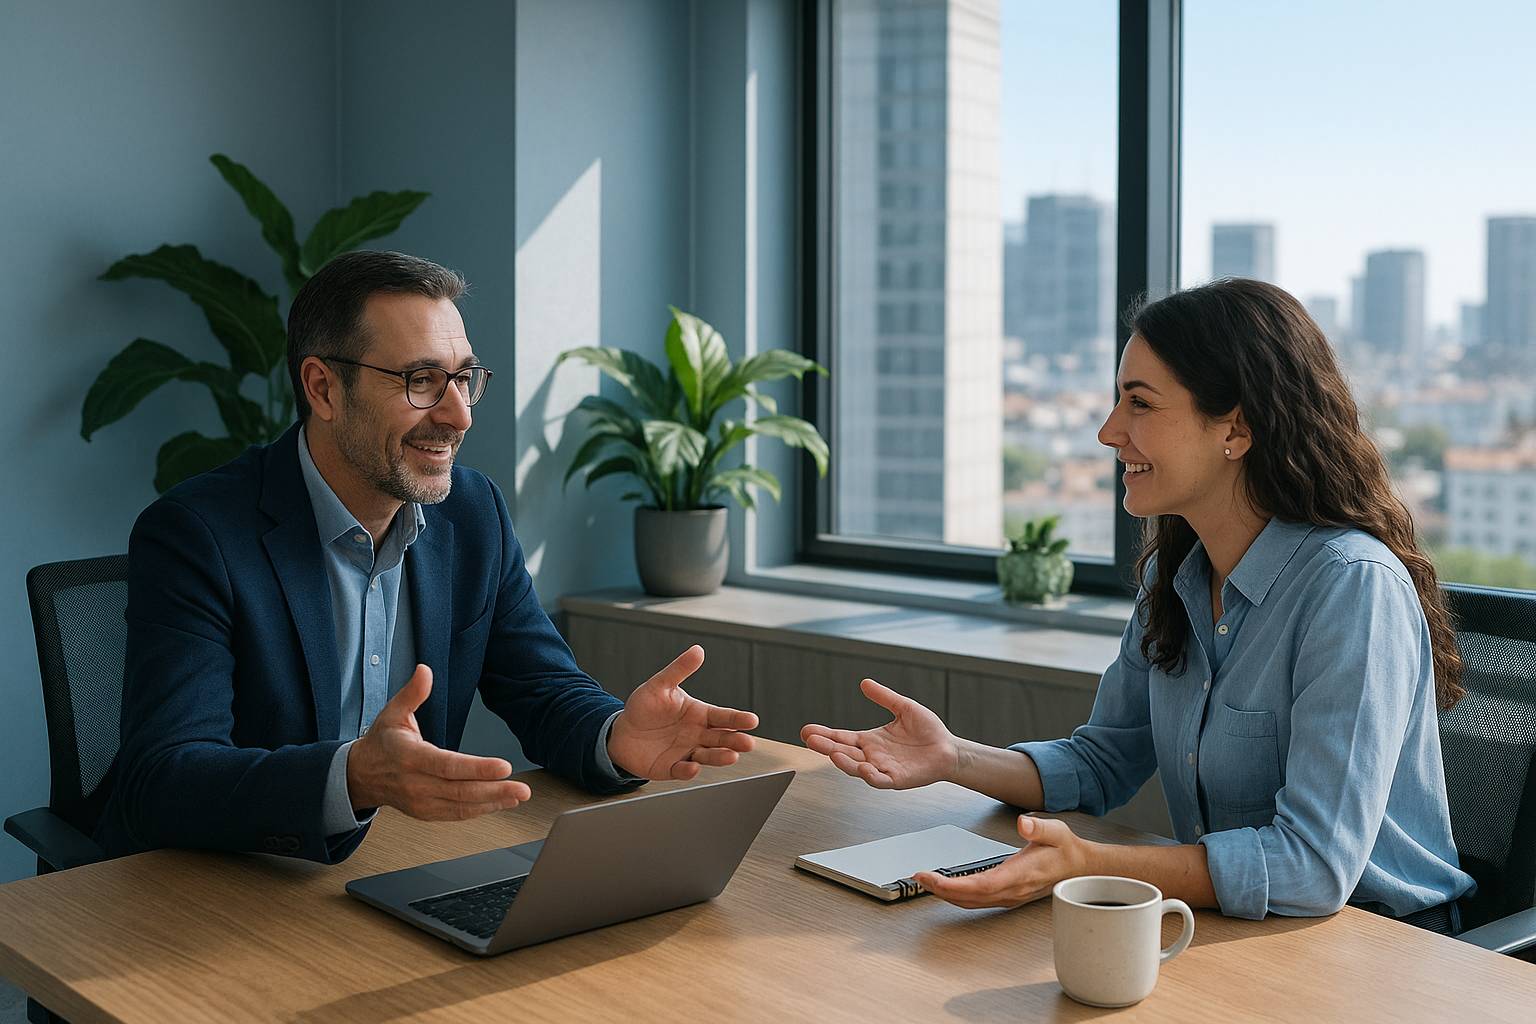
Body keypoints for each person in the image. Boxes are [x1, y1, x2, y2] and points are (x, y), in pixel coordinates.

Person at [801, 278, 1475, 933]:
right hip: (1245, 932)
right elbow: (1101, 762)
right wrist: (953, 758)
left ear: (1233, 428)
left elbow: (1314, 867)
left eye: (1140, 403)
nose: (1107, 431)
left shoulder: (1351, 587)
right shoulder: (1180, 578)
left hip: (1386, 946)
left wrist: (1091, 866)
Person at [97, 250, 758, 863]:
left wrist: (618, 740)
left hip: (389, 872)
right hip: (227, 889)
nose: (459, 415)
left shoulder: (473, 514)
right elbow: (163, 779)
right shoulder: (197, 533)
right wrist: (351, 778)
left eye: (464, 379)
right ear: (323, 389)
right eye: (421, 380)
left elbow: (542, 687)